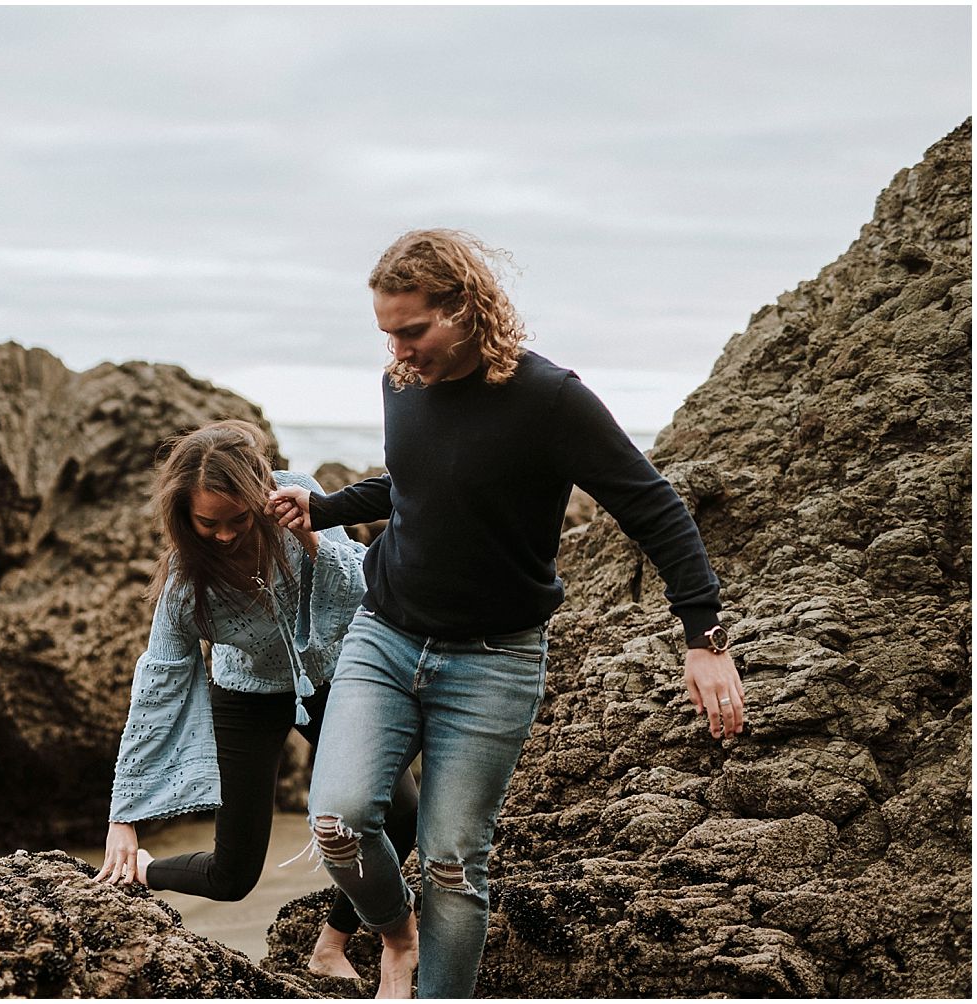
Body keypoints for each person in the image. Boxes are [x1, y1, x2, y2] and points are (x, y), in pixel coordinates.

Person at [269, 229, 745, 998]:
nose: (398, 348)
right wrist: (324, 509)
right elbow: (413, 482)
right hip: (385, 637)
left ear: (464, 307)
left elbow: (653, 507)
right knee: (339, 820)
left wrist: (704, 636)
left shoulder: (549, 399)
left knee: (454, 862)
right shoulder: (403, 383)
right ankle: (396, 935)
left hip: (493, 661)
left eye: (413, 329)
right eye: (387, 332)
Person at [96, 419, 420, 980]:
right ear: (184, 516)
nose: (223, 535)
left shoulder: (299, 499)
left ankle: (332, 944)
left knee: (401, 816)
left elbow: (362, 590)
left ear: (259, 495)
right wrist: (126, 814)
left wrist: (312, 537)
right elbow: (157, 687)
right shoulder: (184, 583)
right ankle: (147, 871)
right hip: (246, 695)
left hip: (334, 680)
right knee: (232, 876)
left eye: (238, 519)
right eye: (207, 523)